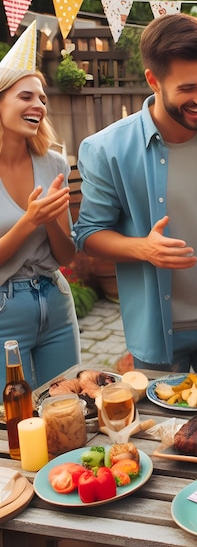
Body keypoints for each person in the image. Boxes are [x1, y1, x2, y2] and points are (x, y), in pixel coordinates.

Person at [75, 13, 197, 376]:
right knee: (161, 431)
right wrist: (142, 248)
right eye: (187, 89)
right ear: (153, 80)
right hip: (157, 330)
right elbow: (88, 234)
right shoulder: (106, 149)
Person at [0, 41, 80, 389]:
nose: (39, 106)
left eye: (43, 99)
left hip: (56, 302)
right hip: (4, 312)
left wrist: (49, 220)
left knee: (67, 408)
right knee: (10, 421)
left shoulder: (54, 163)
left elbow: (67, 256)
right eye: (26, 97)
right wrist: (29, 220)